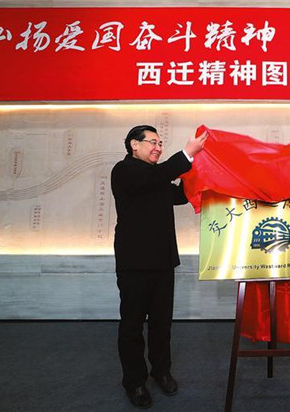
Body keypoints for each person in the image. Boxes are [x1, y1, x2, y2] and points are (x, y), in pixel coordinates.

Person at [111, 125, 207, 409]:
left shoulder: (156, 176)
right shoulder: (124, 171)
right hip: (134, 262)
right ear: (134, 144)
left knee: (162, 323)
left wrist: (204, 170)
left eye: (160, 143)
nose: (158, 147)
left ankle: (161, 371)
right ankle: (134, 381)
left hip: (163, 260)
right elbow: (156, 177)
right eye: (152, 142)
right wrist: (186, 155)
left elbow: (179, 195)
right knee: (132, 325)